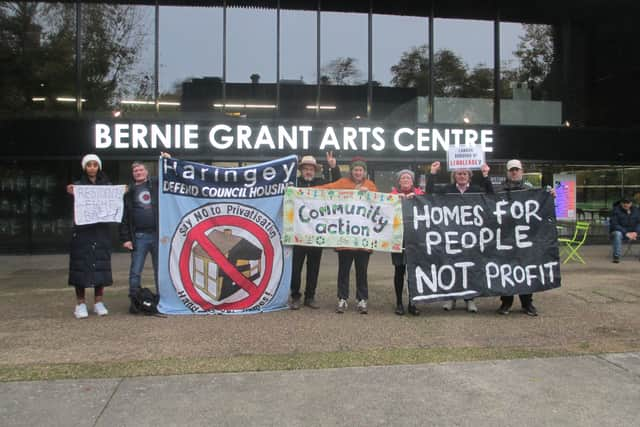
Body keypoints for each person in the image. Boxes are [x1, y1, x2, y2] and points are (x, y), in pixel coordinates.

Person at [426, 160, 493, 313]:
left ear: (469, 176)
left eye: (464, 174)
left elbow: (491, 196)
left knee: (470, 267)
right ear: (454, 176)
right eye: (458, 174)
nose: (461, 176)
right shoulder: (447, 189)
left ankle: (470, 299)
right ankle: (451, 298)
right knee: (451, 265)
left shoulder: (476, 190)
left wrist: (485, 175)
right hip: (452, 235)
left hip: (471, 236)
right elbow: (429, 194)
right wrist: (432, 173)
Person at [316, 157, 378, 314]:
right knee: (343, 270)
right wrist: (302, 192)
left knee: (362, 271)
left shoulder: (371, 186)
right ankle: (342, 298)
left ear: (364, 172)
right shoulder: (342, 183)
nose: (358, 172)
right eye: (356, 170)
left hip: (363, 239)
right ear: (352, 171)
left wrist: (369, 195)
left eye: (361, 170)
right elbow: (326, 188)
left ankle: (362, 299)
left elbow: (380, 205)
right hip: (345, 238)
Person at [495, 159, 549, 316]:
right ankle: (506, 303)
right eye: (511, 170)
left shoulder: (530, 190)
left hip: (526, 237)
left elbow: (540, 209)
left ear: (521, 171)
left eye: (516, 169)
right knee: (506, 269)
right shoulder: (499, 191)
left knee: (526, 268)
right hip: (506, 237)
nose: (514, 172)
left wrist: (549, 195)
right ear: (507, 172)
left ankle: (527, 303)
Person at [289, 151, 341, 310]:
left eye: (311, 169)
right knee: (295, 268)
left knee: (314, 268)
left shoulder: (321, 183)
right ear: (301, 170)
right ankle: (295, 296)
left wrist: (334, 168)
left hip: (316, 234)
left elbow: (338, 186)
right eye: (306, 169)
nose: (308, 171)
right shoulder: (294, 183)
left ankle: (310, 296)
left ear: (315, 171)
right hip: (298, 233)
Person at [119, 154, 169, 314]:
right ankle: (135, 300)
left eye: (141, 170)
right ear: (133, 174)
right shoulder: (129, 191)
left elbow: (168, 175)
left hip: (157, 235)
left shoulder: (155, 185)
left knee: (159, 269)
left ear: (147, 172)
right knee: (135, 270)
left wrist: (167, 159)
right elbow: (124, 216)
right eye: (135, 171)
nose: (138, 172)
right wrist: (126, 238)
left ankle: (162, 299)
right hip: (139, 236)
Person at [66, 154, 113, 319]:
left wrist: (121, 193)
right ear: (84, 167)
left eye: (95, 165)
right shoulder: (78, 185)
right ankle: (80, 303)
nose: (92, 167)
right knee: (80, 267)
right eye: (89, 165)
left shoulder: (107, 185)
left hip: (100, 232)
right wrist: (71, 194)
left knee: (100, 266)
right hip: (82, 232)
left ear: (98, 167)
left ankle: (98, 301)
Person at [390, 169, 424, 316]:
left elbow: (428, 205)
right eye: (402, 178)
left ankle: (413, 302)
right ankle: (399, 302)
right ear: (398, 182)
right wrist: (398, 198)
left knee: (413, 271)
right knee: (399, 270)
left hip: (415, 238)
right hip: (398, 238)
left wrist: (416, 198)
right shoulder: (392, 195)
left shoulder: (420, 194)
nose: (405, 180)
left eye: (408, 178)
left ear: (412, 181)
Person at [609, 196, 640, 263]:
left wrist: (636, 232)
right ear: (621, 203)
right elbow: (614, 224)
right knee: (617, 233)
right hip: (620, 232)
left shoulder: (636, 210)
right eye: (624, 202)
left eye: (628, 202)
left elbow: (639, 222)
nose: (626, 204)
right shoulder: (615, 210)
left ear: (631, 203)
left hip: (633, 232)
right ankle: (616, 256)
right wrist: (626, 233)